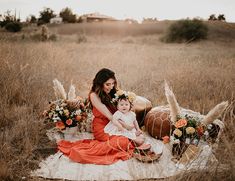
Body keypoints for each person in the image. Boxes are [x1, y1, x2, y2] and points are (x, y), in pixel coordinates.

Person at [57, 68, 136, 165]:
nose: (111, 87)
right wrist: (125, 129)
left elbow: (123, 110)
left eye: (112, 83)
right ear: (100, 83)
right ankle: (82, 153)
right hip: (103, 127)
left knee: (131, 137)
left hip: (116, 124)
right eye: (108, 84)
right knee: (124, 141)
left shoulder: (113, 91)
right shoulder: (94, 95)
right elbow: (111, 117)